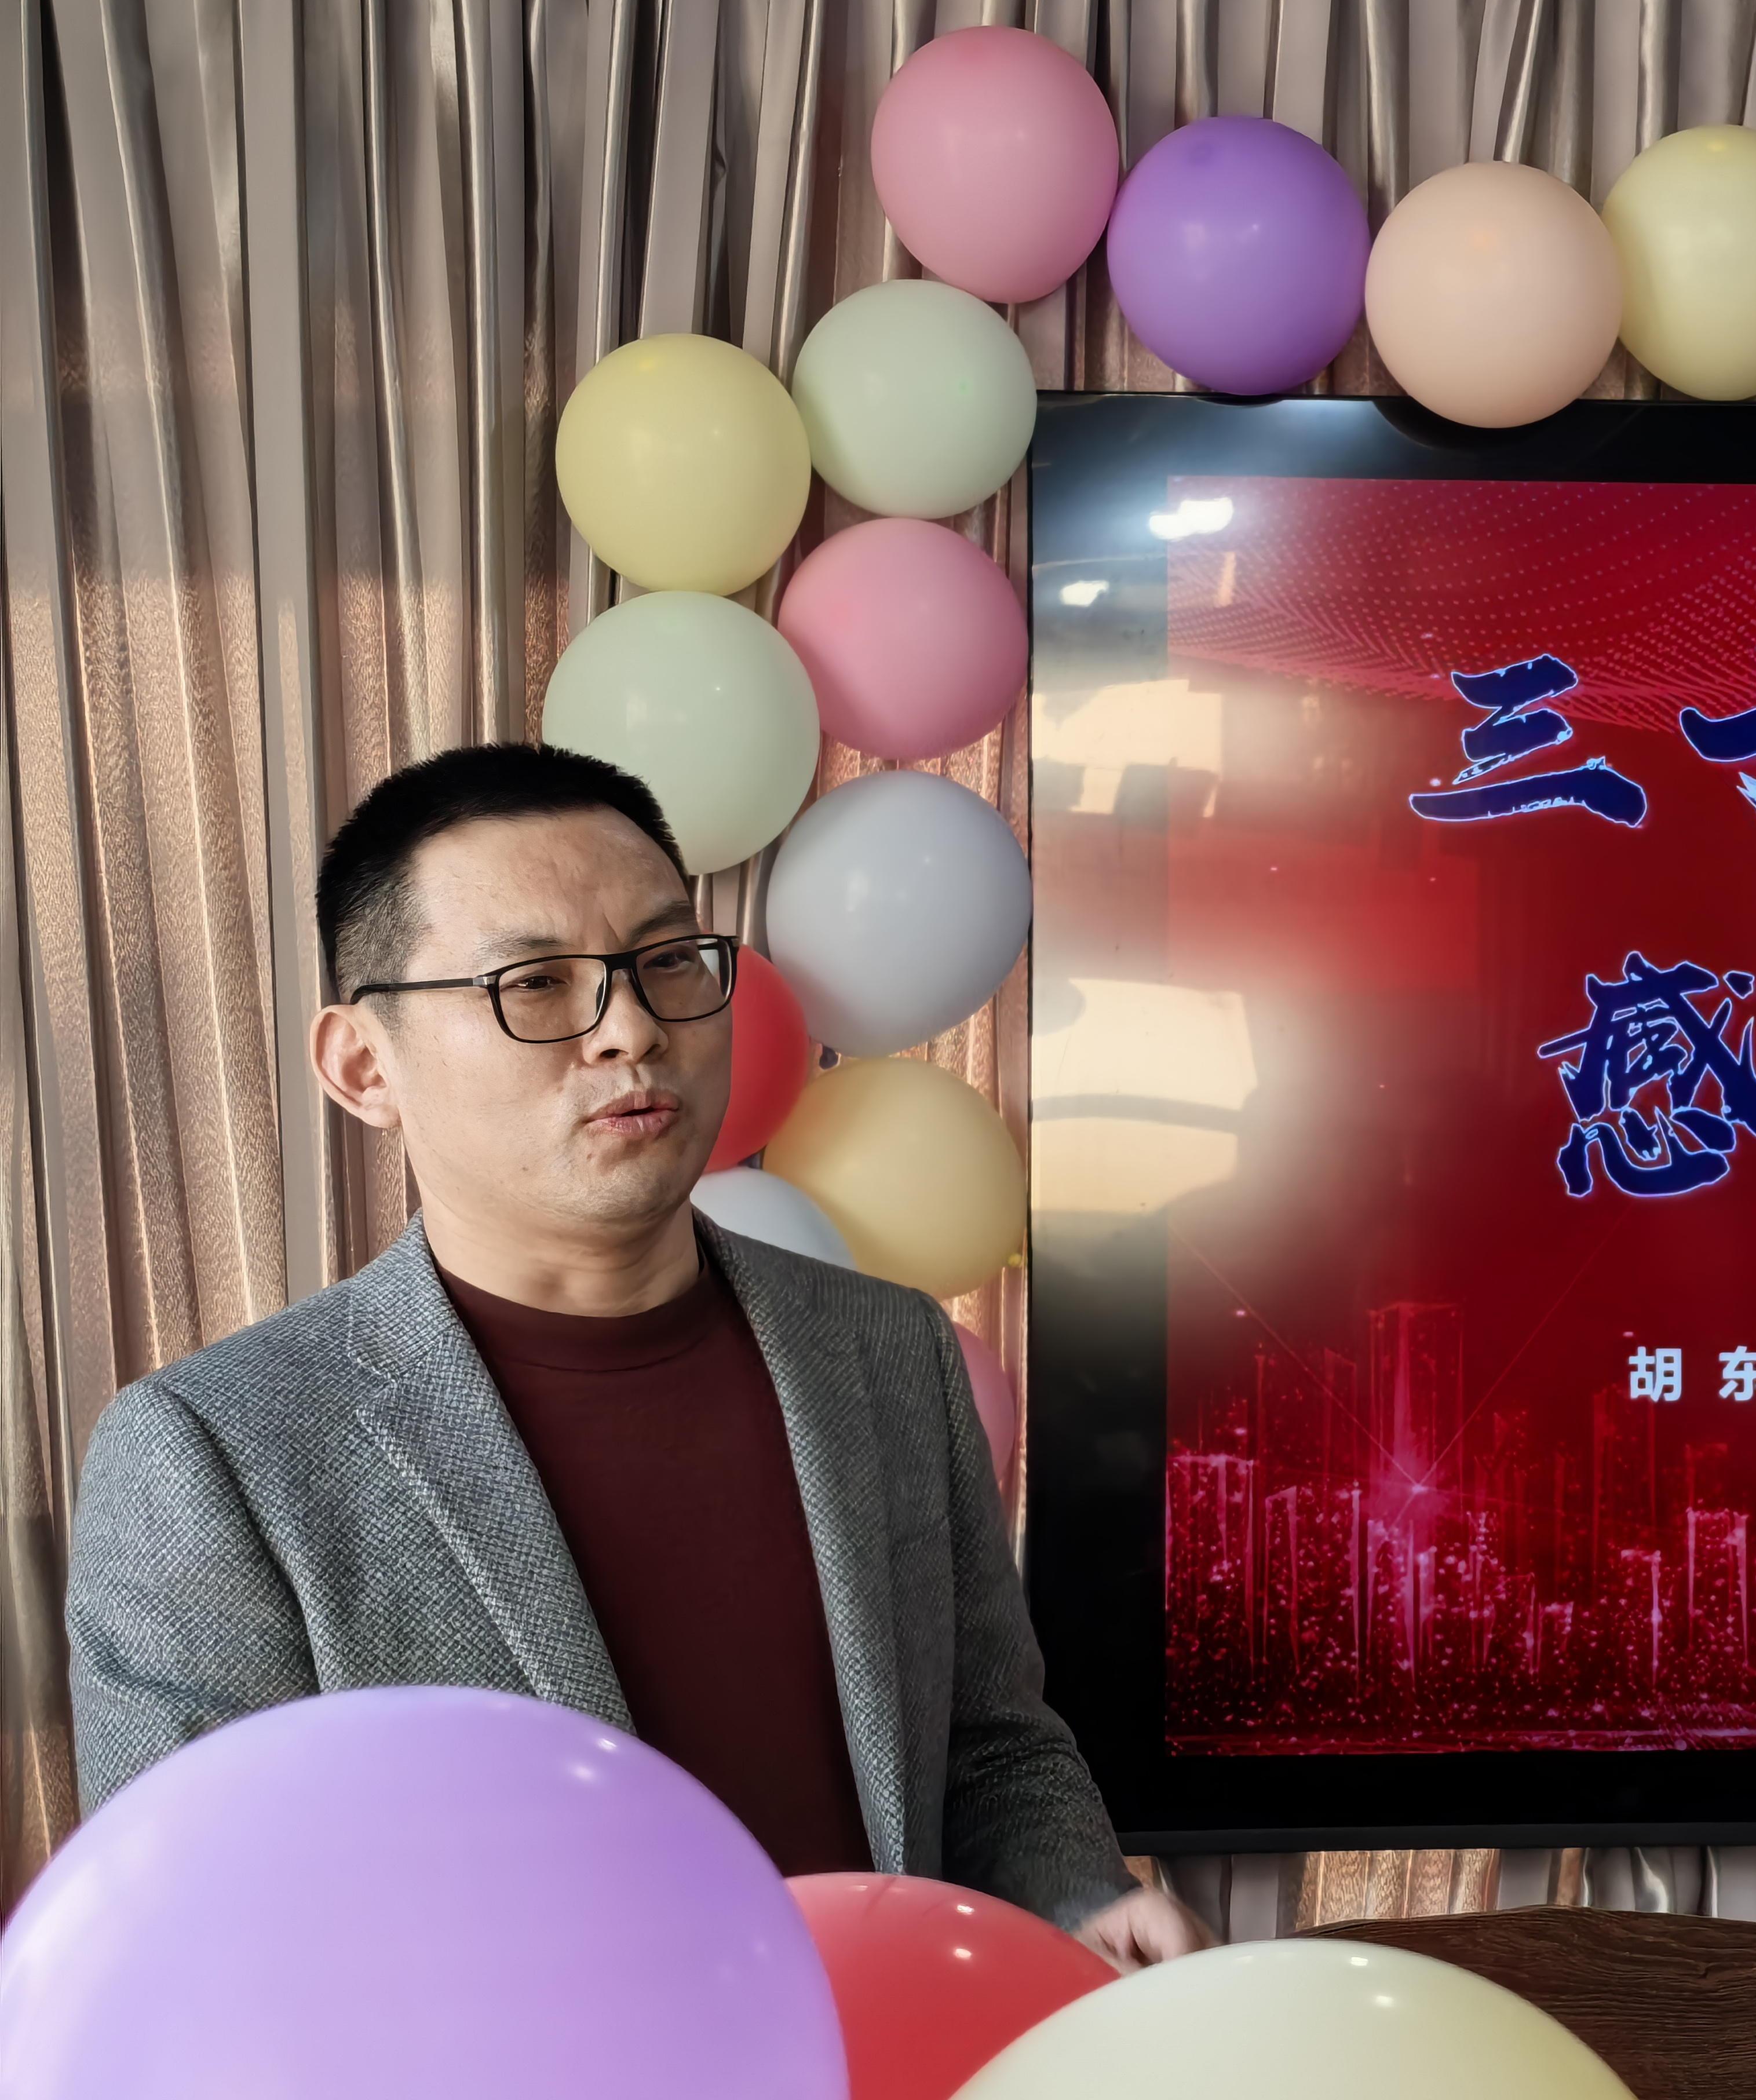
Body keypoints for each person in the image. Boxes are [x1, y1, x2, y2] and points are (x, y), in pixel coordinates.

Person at [64, 742, 1209, 1970]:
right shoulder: (218, 1455)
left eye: (667, 961)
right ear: (364, 1065)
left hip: (909, 2072)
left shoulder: (885, 1349)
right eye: (534, 983)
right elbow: (205, 1941)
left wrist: (1080, 1905)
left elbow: (989, 1749)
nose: (631, 1029)